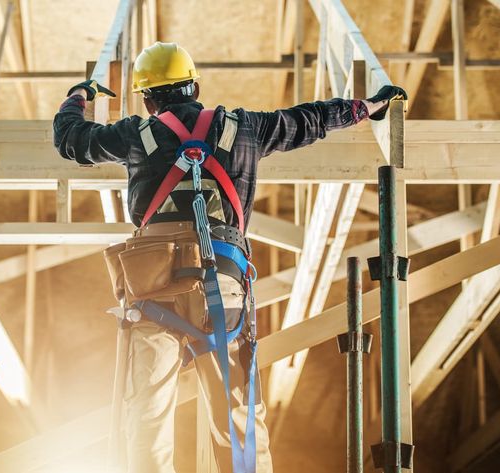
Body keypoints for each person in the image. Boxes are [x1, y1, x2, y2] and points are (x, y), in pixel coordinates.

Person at [54, 42, 406, 473]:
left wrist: (79, 96)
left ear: (148, 98)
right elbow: (311, 119)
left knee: (147, 415)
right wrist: (370, 105)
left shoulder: (134, 135)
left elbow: (70, 140)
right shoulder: (244, 128)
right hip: (220, 285)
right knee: (239, 418)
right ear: (195, 86)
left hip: (151, 291)